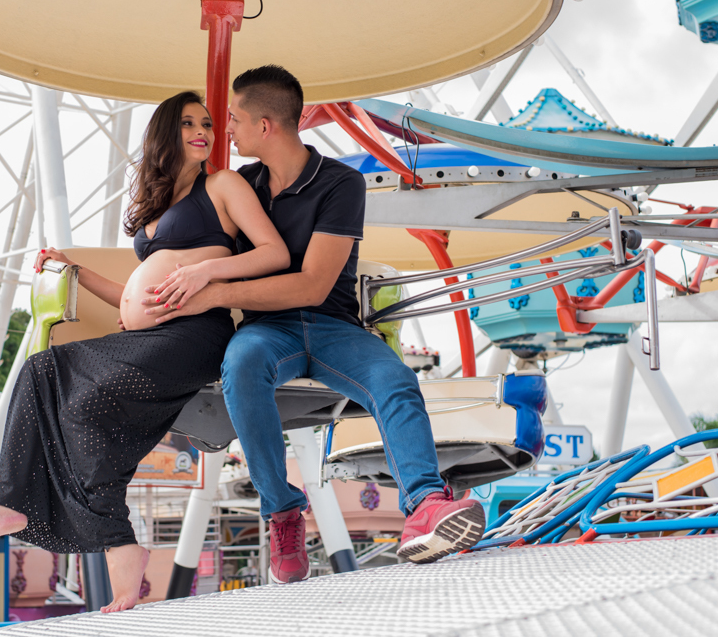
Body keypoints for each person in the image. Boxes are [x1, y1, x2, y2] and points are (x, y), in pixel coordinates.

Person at [0, 91, 289, 611]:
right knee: (39, 370)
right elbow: (136, 294)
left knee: (87, 402)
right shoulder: (159, 206)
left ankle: (117, 545)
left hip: (196, 332)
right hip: (146, 336)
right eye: (188, 123)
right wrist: (76, 272)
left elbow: (274, 253)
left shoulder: (223, 185)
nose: (203, 132)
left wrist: (204, 271)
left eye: (207, 124)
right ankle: (10, 501)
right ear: (164, 133)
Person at [143, 66, 486, 582]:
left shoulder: (340, 183)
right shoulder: (239, 185)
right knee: (242, 365)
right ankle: (283, 511)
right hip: (267, 331)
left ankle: (426, 506)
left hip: (332, 327)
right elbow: (183, 231)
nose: (225, 129)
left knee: (395, 379)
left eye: (232, 118)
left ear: (264, 126)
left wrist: (212, 291)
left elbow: (312, 287)